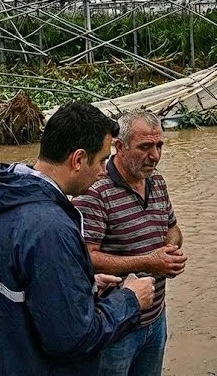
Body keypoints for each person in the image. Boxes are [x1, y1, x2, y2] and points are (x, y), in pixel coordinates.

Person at [0, 101, 156, 375]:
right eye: (103, 159)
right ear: (78, 159)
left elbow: (16, 292)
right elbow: (73, 339)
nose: (104, 171)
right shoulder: (50, 228)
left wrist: (81, 283)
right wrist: (129, 299)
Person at [72, 110, 186, 376]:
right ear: (119, 147)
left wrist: (171, 249)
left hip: (156, 318)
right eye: (145, 147)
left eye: (159, 146)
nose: (155, 156)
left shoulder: (156, 181)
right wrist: (149, 262)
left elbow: (172, 227)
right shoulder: (94, 191)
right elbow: (84, 257)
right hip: (114, 327)